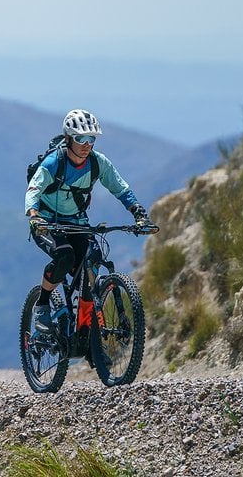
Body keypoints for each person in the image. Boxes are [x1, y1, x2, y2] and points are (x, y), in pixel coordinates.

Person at [25, 108, 152, 356]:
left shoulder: (97, 162)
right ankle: (41, 306)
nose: (86, 145)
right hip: (47, 222)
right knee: (65, 256)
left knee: (91, 259)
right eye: (81, 139)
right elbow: (34, 188)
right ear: (69, 138)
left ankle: (85, 330)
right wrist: (34, 215)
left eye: (91, 139)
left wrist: (137, 211)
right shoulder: (55, 162)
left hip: (77, 221)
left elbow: (120, 187)